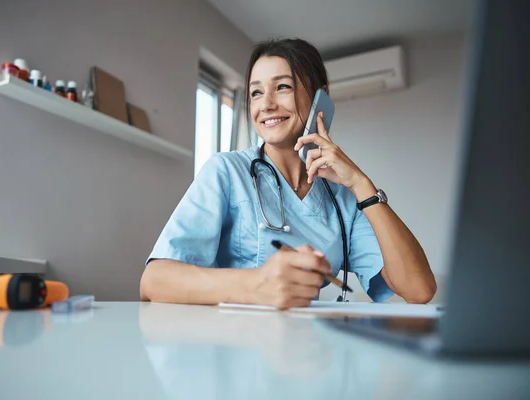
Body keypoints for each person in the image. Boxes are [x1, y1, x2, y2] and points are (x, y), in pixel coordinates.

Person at [140, 38, 436, 308]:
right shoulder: (227, 171)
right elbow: (154, 281)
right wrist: (256, 286)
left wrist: (361, 184)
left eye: (283, 87)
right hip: (231, 350)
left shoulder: (344, 198)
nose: (266, 104)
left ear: (322, 98)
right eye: (256, 92)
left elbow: (419, 290)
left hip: (308, 352)